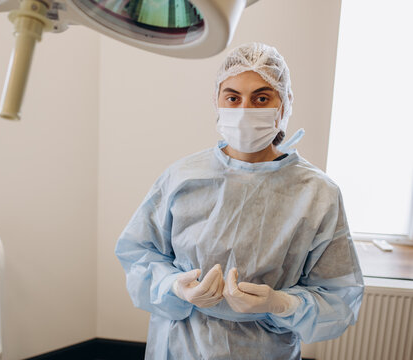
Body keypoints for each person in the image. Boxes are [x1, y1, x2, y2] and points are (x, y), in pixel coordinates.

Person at [115, 42, 364, 360]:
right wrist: (177, 286)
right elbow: (139, 255)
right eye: (233, 97)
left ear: (284, 104)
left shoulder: (317, 193)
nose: (245, 109)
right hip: (179, 347)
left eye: (261, 98)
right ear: (217, 103)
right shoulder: (183, 177)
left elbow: (338, 298)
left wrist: (281, 303)